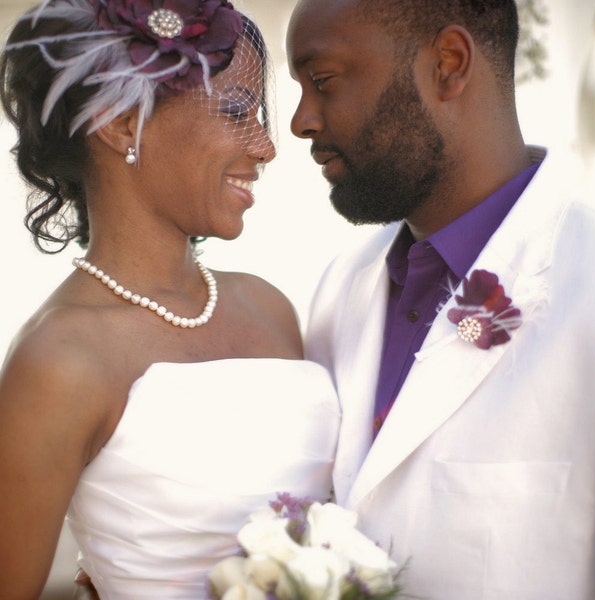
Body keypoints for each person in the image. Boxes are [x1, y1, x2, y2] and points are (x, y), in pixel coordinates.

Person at [0, 0, 340, 598]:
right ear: (121, 123)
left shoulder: (270, 308)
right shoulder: (58, 360)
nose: (265, 146)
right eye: (237, 111)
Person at [287, 0, 595, 598]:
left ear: (448, 64)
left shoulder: (592, 287)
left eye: (322, 81)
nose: (302, 120)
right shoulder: (338, 287)